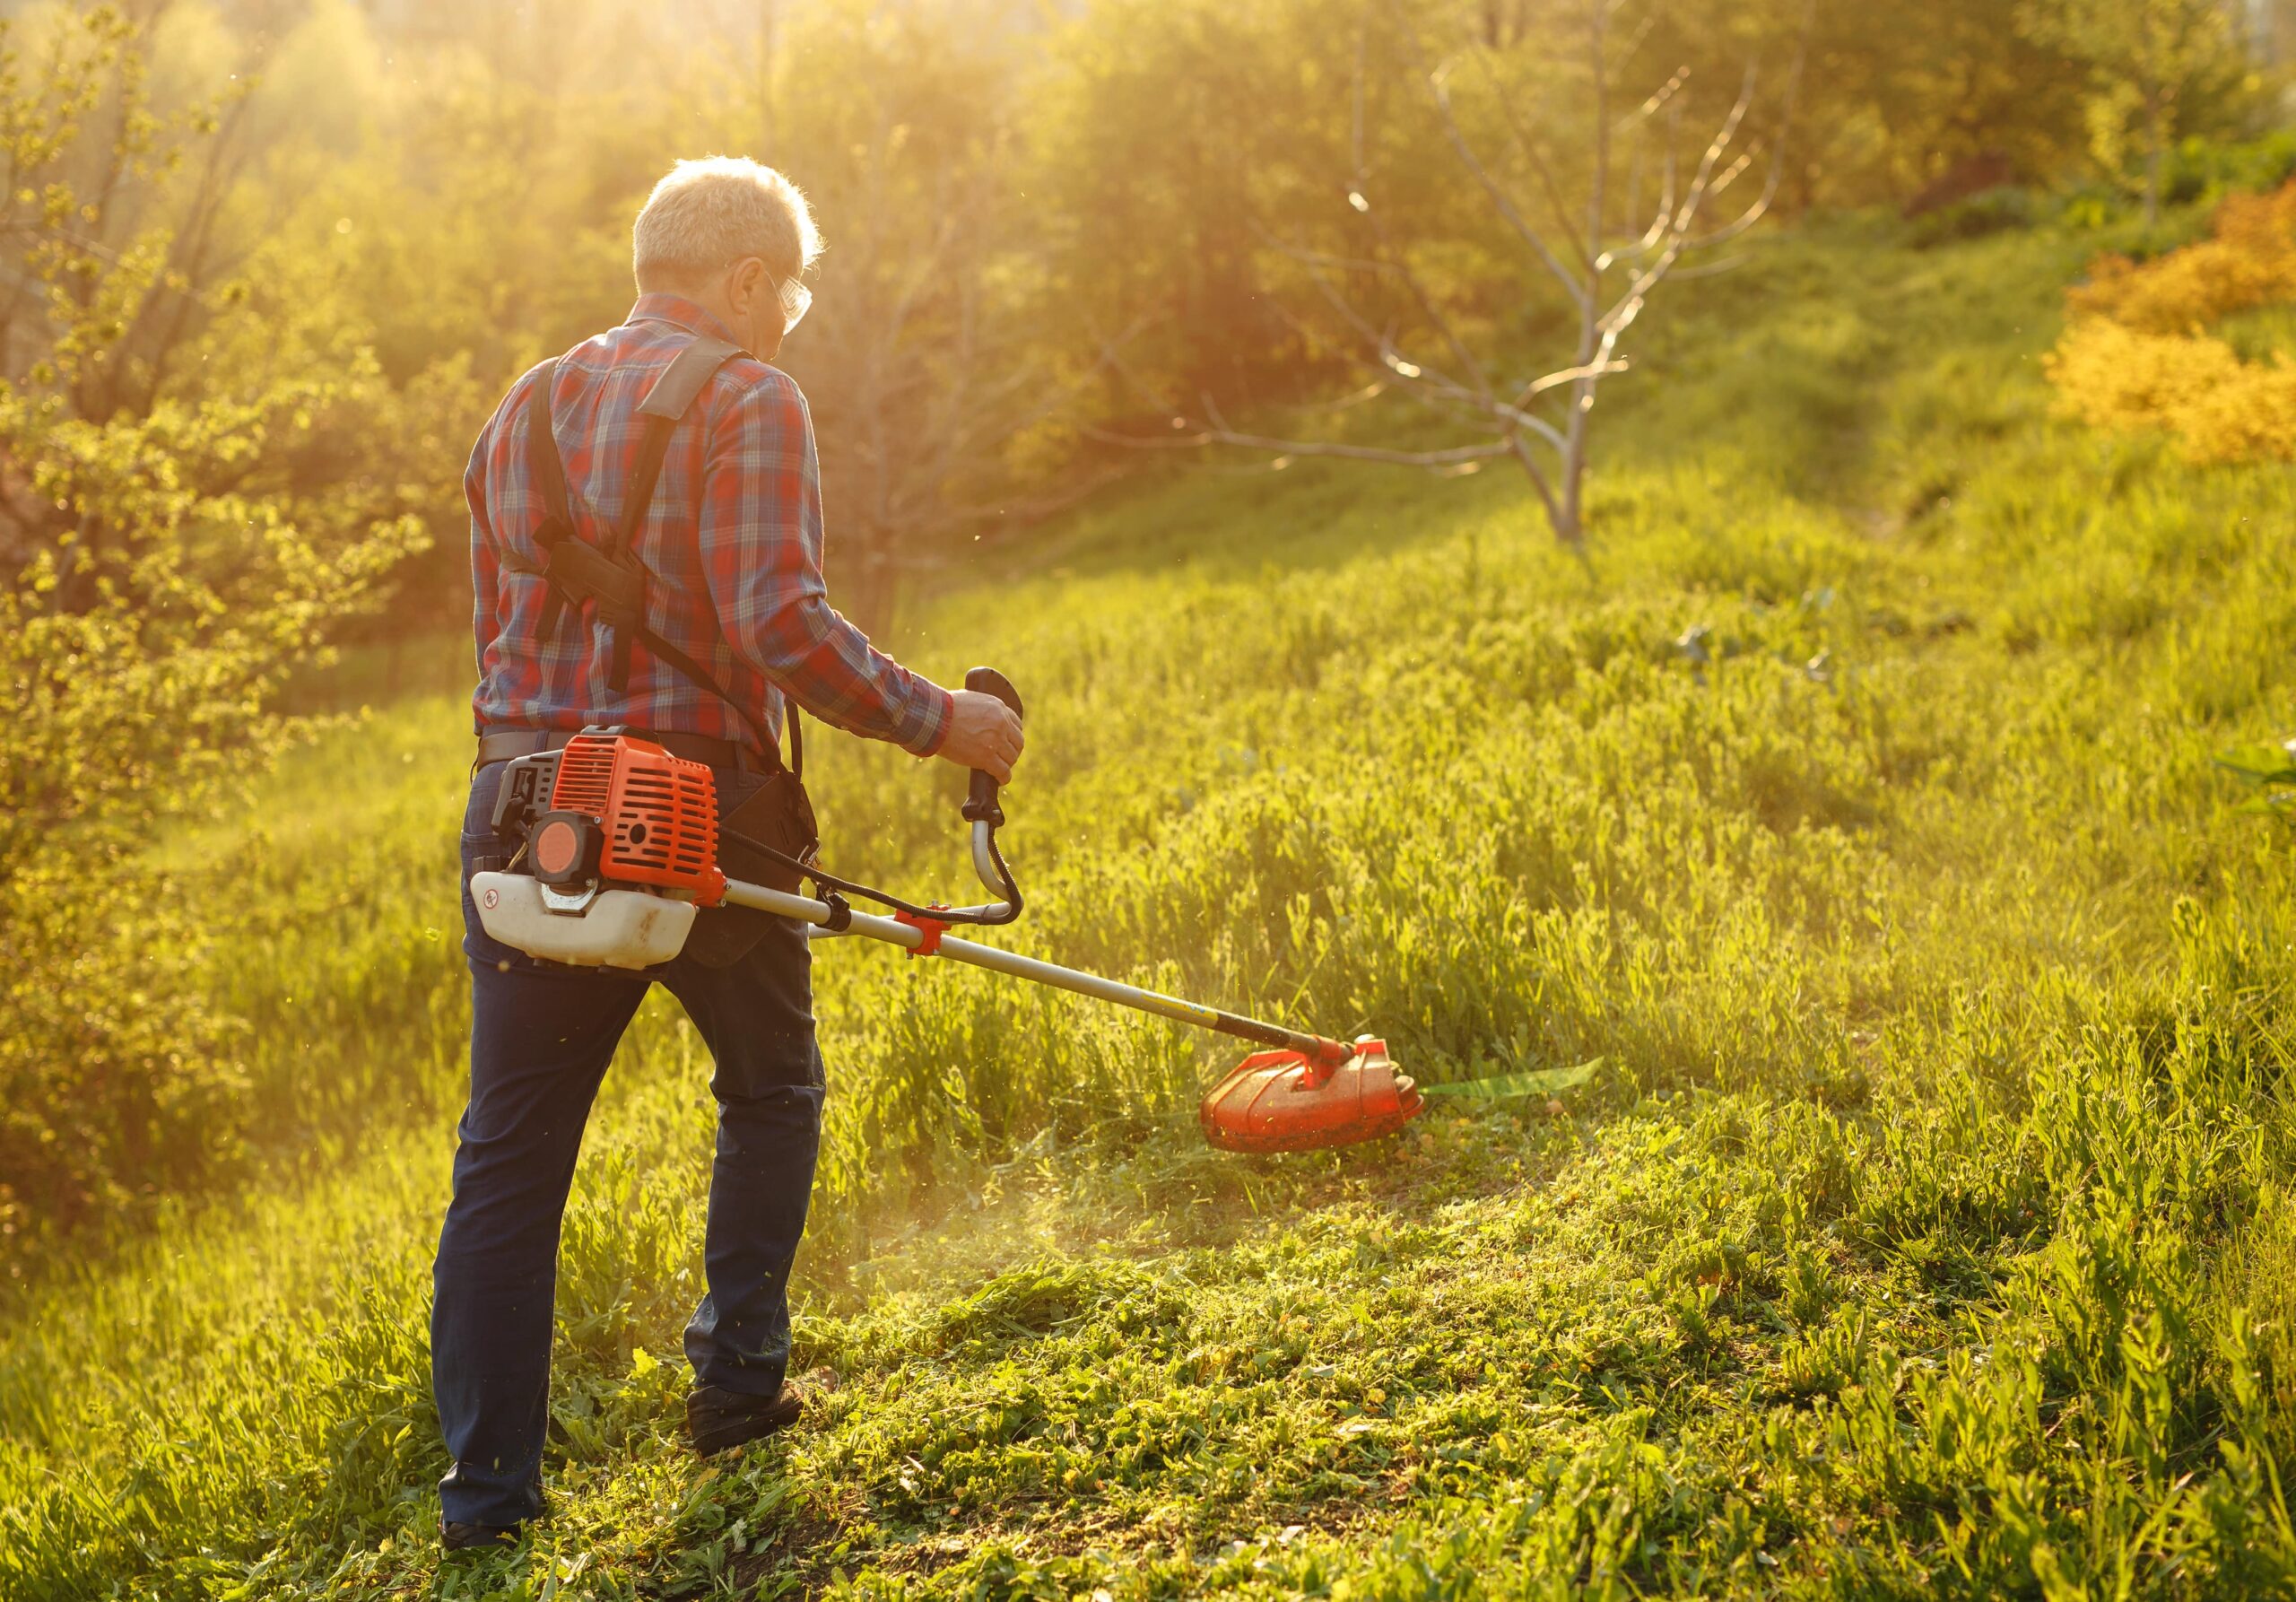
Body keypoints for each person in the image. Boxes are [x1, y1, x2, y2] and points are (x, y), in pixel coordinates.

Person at [432, 156, 1023, 1550]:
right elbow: (782, 625)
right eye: (791, 298)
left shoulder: (524, 403)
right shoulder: (751, 394)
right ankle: (739, 1383)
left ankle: (485, 1499)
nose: (788, 324)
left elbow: (491, 638)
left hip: (526, 808)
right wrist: (954, 725)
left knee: (507, 1155)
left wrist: (530, 773)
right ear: (748, 281)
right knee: (771, 1083)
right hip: (693, 813)